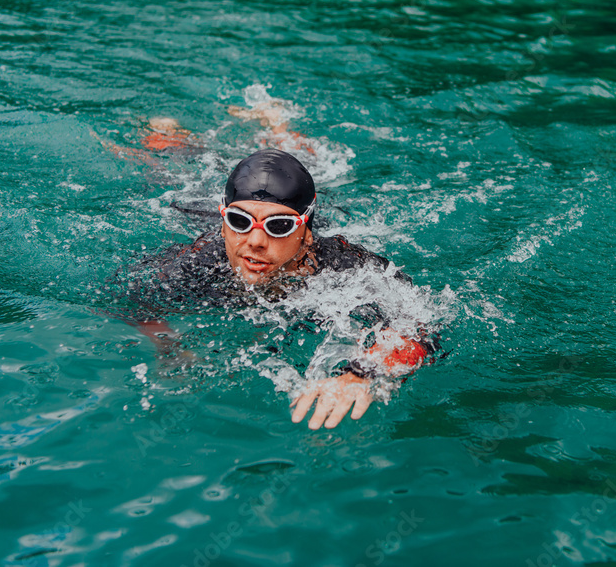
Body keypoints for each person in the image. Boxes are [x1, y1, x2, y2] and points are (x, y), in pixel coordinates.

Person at [120, 148, 436, 430]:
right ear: (223, 221)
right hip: (196, 203)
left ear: (306, 232)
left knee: (310, 156)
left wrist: (363, 372)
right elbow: (127, 295)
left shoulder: (345, 268)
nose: (256, 241)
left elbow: (422, 327)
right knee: (164, 159)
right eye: (239, 221)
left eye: (279, 226)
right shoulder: (198, 262)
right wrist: (169, 346)